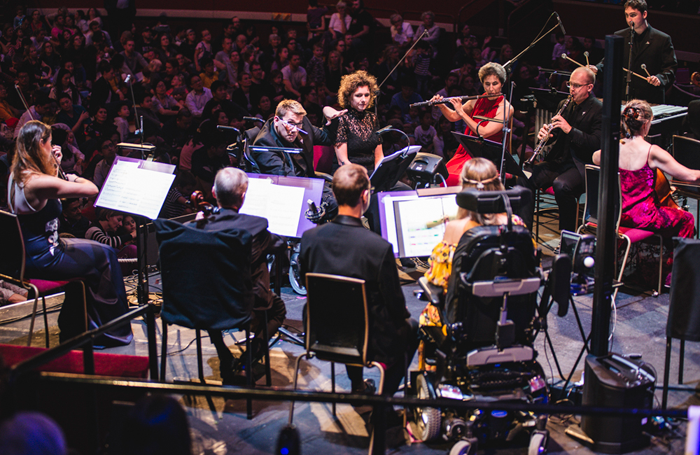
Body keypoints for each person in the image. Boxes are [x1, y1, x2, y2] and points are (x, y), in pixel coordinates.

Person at [8, 121, 132, 346]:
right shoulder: (37, 182)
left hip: (36, 251)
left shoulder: (17, 174)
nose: (53, 146)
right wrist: (65, 171)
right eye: (49, 142)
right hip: (45, 257)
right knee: (106, 257)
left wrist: (53, 166)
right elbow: (92, 189)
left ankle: (77, 327)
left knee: (102, 251)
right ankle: (108, 331)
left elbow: (53, 183)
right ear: (40, 144)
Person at [300, 163, 418, 397]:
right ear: (365, 196)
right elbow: (395, 306)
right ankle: (383, 403)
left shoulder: (309, 238)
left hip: (320, 333)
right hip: (367, 338)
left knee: (346, 311)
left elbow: (308, 284)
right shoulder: (378, 246)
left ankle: (357, 385)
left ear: (334, 194)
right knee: (412, 328)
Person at [419, 158, 526, 369]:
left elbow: (437, 279)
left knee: (426, 314)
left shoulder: (455, 229)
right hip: (510, 320)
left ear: (464, 189)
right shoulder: (517, 225)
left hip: (465, 323)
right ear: (497, 186)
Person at [191, 168, 287, 384]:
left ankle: (224, 355)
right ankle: (248, 361)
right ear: (243, 197)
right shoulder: (255, 227)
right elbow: (280, 246)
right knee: (278, 309)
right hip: (247, 306)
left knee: (212, 292)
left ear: (214, 193)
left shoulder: (199, 227)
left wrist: (198, 225)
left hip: (206, 305)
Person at [592, 100, 700, 286]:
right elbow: (690, 176)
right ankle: (672, 275)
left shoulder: (614, 147)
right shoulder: (652, 151)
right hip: (643, 217)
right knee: (686, 218)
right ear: (646, 124)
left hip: (617, 214)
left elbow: (595, 157)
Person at [518, 66, 602, 232]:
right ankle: (523, 231)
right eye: (570, 84)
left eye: (577, 85)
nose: (572, 89)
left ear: (589, 87)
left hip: (581, 164)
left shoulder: (598, 110)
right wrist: (547, 135)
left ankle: (567, 235)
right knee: (525, 177)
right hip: (559, 161)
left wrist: (570, 130)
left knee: (561, 186)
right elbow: (556, 134)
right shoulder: (565, 103)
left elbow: (596, 143)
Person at [431, 62, 514, 187]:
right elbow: (453, 116)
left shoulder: (506, 108)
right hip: (468, 150)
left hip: (489, 156)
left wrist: (462, 113)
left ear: (502, 84)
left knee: (461, 179)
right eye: (487, 84)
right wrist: (441, 105)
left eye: (495, 84)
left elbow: (484, 133)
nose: (491, 89)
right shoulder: (476, 100)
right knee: (446, 176)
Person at [592, 0, 676, 104]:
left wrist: (659, 78)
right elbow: (608, 61)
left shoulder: (662, 39)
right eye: (627, 15)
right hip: (623, 97)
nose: (629, 20)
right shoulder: (620, 36)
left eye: (633, 15)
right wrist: (597, 68)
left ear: (644, 14)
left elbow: (670, 68)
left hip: (650, 99)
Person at [331, 70, 382, 173]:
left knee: (403, 188)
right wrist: (362, 177)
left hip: (371, 173)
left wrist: (378, 176)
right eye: (358, 95)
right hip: (350, 174)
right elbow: (343, 161)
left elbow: (379, 156)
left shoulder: (373, 118)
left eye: (367, 95)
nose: (364, 100)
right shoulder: (342, 119)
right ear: (349, 97)